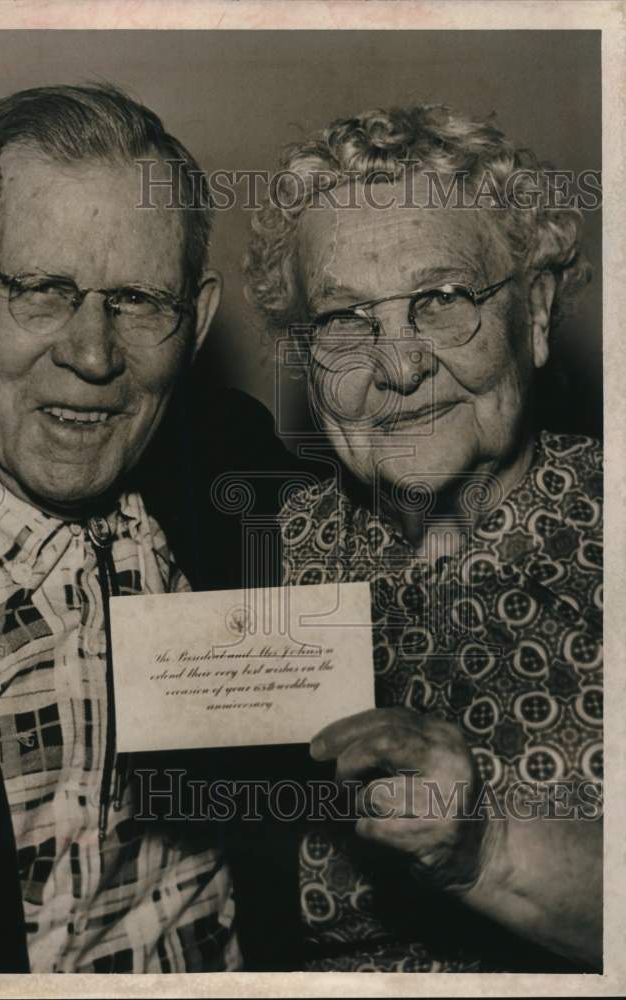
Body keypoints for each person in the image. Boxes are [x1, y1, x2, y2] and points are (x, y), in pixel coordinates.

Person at [0, 82, 302, 974]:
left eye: (139, 301)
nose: (93, 353)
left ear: (194, 325)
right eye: (41, 289)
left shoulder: (236, 469)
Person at [244, 104, 603, 972]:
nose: (398, 366)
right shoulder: (254, 564)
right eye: (343, 321)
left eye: (441, 300)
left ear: (539, 309)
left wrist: (487, 848)